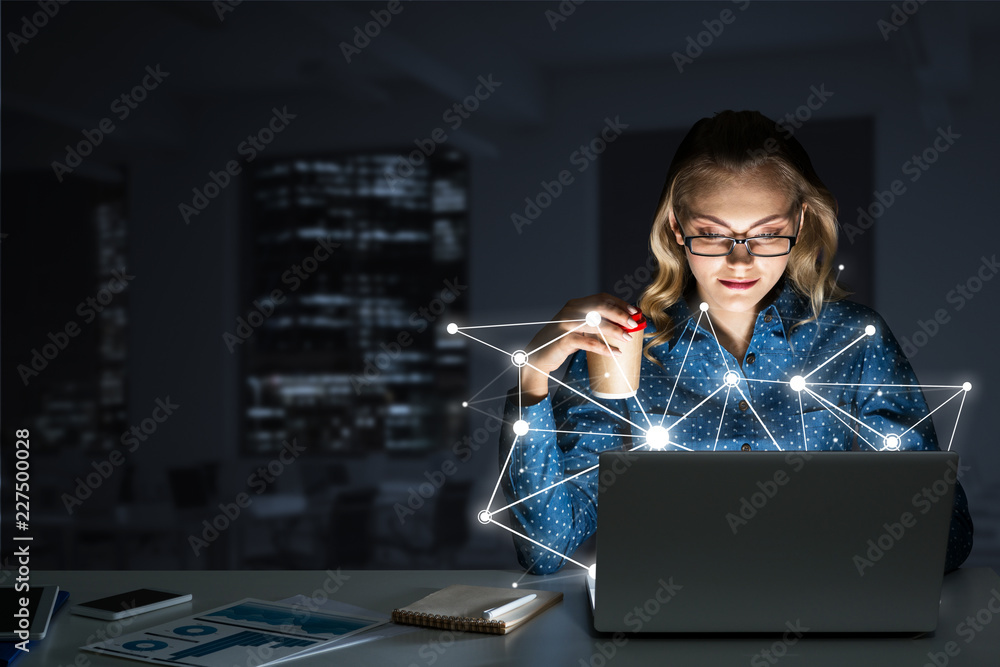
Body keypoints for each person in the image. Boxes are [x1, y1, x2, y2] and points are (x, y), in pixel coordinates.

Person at [498, 110, 973, 575]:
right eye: (712, 234)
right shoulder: (620, 348)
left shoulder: (853, 339)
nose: (740, 262)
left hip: (819, 619)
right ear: (676, 228)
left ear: (800, 223)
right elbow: (545, 551)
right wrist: (531, 378)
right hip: (660, 622)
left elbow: (945, 540)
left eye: (766, 234)